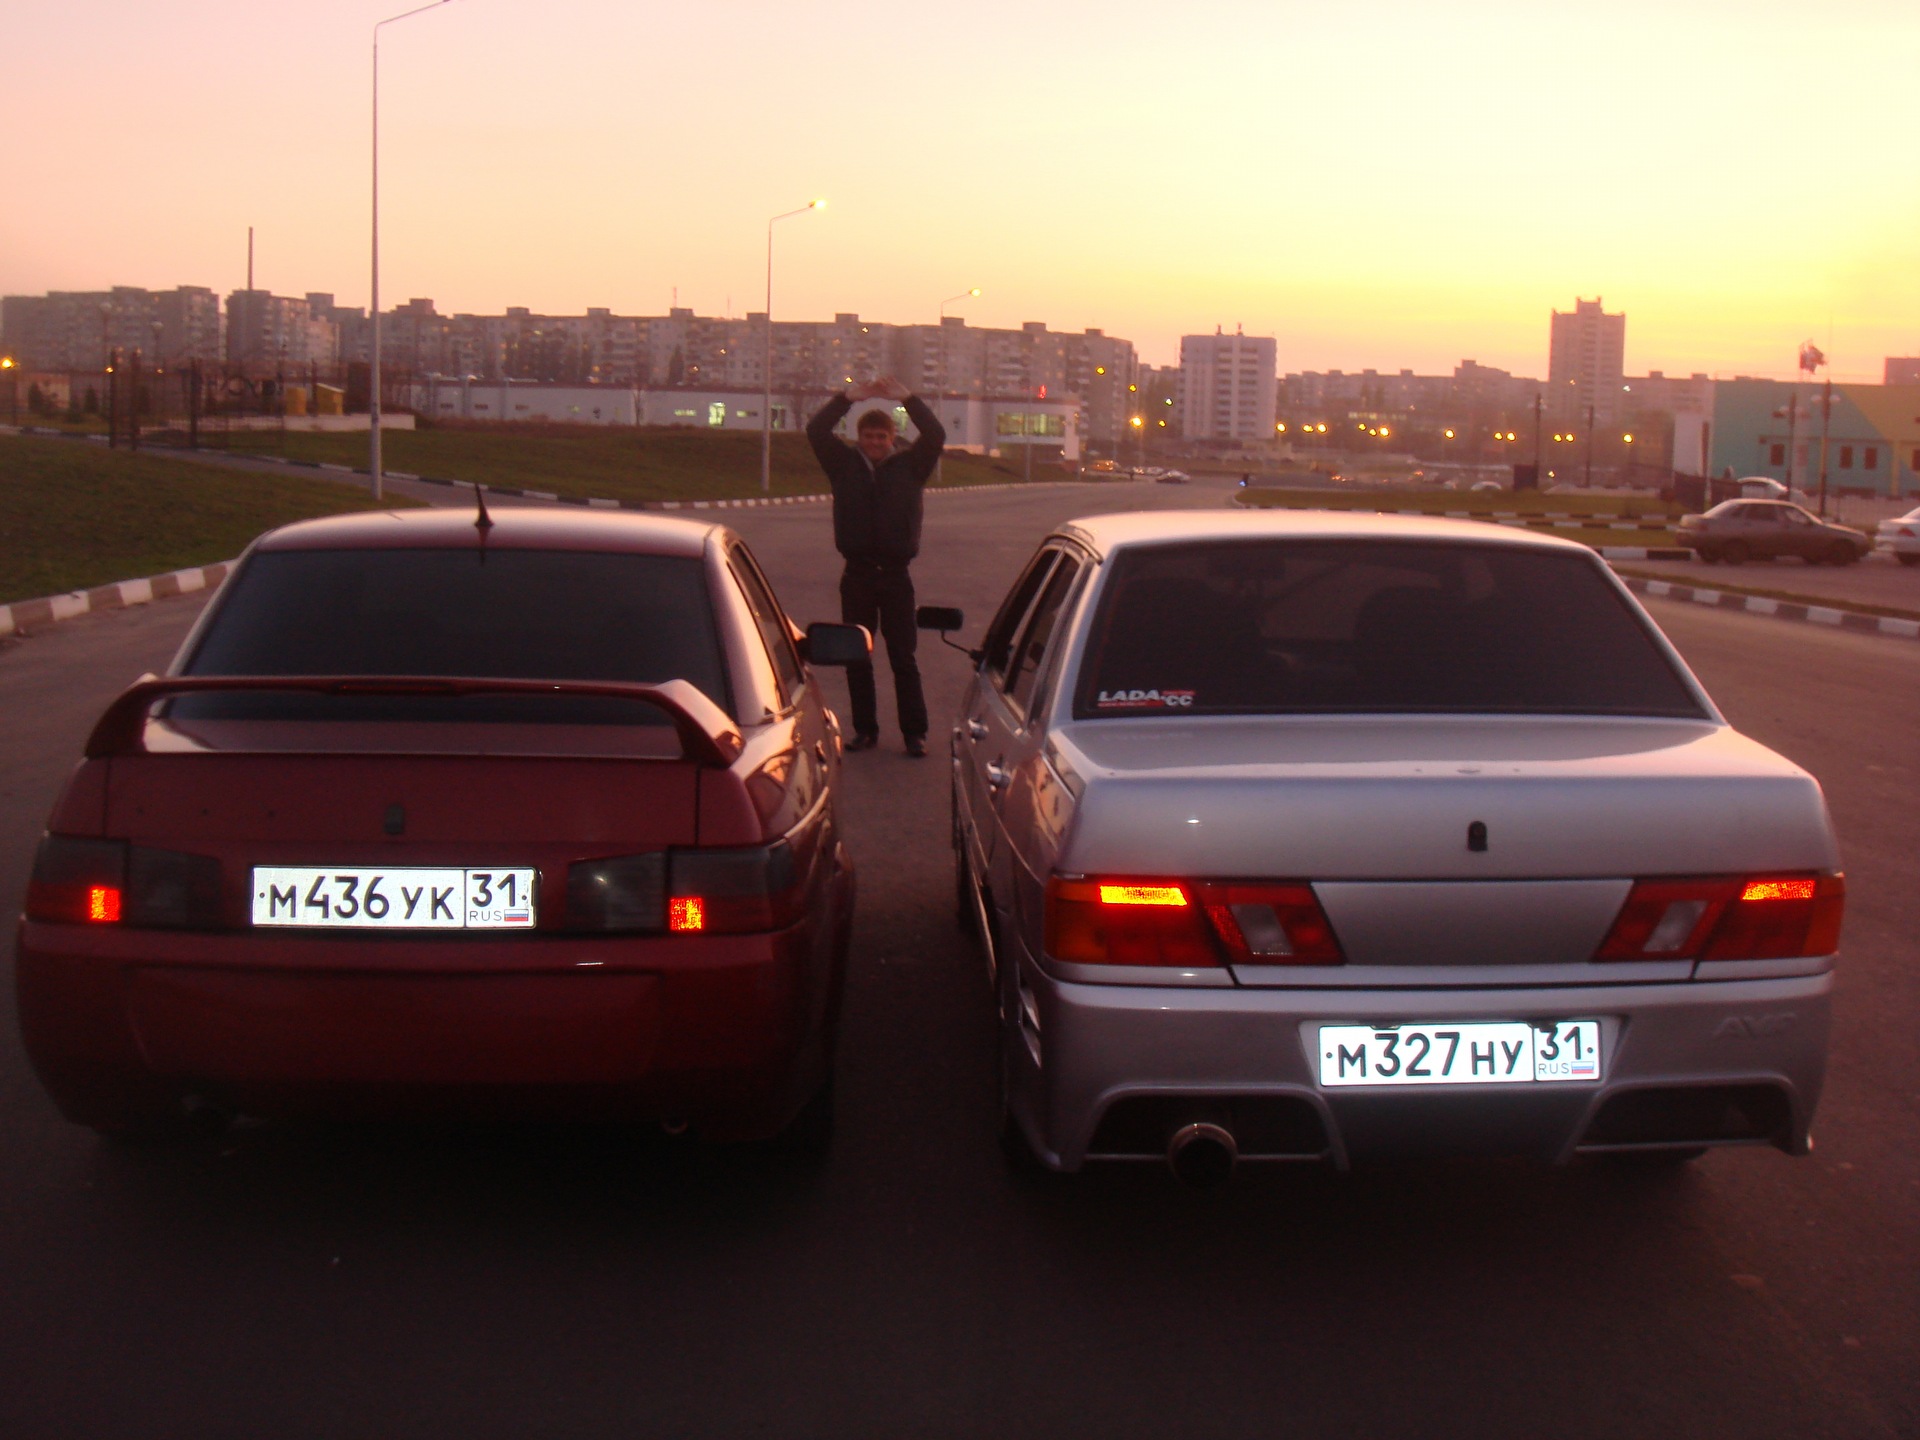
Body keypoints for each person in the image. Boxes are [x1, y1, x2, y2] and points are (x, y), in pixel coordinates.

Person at [806, 377, 946, 756]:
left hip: (896, 577)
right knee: (857, 656)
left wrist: (909, 398)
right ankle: (865, 730)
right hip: (857, 576)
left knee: (903, 657)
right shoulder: (842, 465)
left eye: (881, 437)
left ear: (892, 438)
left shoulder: (911, 467)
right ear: (859, 438)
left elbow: (935, 433)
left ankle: (914, 734)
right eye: (867, 437)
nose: (874, 444)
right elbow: (816, 429)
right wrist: (847, 397)